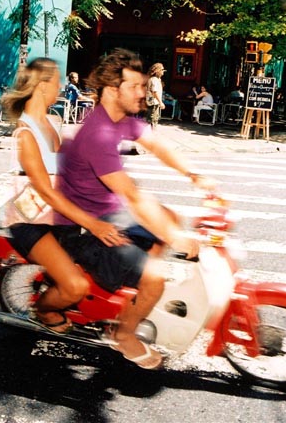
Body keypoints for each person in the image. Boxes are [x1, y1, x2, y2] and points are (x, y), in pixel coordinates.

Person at [56, 48, 215, 369]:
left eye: (143, 86)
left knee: (168, 219)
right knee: (155, 277)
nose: (143, 93)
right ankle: (124, 334)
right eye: (135, 87)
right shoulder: (97, 134)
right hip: (84, 228)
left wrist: (194, 175)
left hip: (108, 213)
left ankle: (130, 290)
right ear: (112, 91)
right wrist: (178, 239)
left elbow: (158, 145)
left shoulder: (121, 120)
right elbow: (132, 195)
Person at [2, 58, 126, 334]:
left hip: (58, 217)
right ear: (43, 85)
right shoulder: (24, 134)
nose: (61, 85)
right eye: (57, 80)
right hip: (31, 223)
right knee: (75, 285)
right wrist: (92, 222)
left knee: (112, 256)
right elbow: (46, 190)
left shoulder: (51, 122)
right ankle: (44, 310)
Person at [145, 63, 166, 129]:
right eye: (162, 69)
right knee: (152, 120)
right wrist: (160, 102)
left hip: (153, 102)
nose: (163, 71)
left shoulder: (156, 79)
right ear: (157, 71)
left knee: (154, 119)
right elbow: (154, 92)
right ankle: (151, 134)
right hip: (153, 103)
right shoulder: (154, 79)